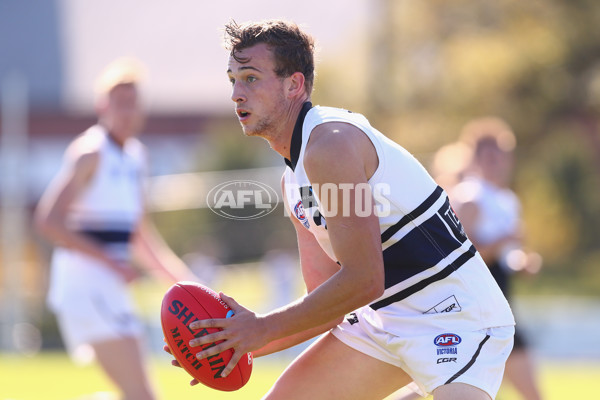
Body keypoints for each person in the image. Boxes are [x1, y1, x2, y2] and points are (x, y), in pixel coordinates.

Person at [168, 20, 515, 400]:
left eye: (250, 78)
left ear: (294, 85)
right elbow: (328, 302)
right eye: (232, 79)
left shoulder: (329, 146)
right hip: (383, 322)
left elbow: (365, 280)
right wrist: (232, 342)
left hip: (457, 319)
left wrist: (261, 328)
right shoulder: (293, 179)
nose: (236, 93)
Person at [35, 58, 196, 400]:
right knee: (142, 395)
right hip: (85, 285)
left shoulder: (136, 157)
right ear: (102, 106)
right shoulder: (90, 153)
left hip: (111, 287)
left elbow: (140, 235)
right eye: (119, 103)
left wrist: (186, 283)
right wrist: (111, 263)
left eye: (133, 103)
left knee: (135, 394)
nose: (127, 111)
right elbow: (48, 220)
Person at [450, 117, 544, 400]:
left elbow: (505, 256)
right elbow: (463, 256)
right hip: (476, 306)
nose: (497, 162)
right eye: (489, 156)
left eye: (500, 155)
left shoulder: (506, 200)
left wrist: (522, 263)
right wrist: (505, 241)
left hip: (501, 300)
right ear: (476, 158)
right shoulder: (469, 198)